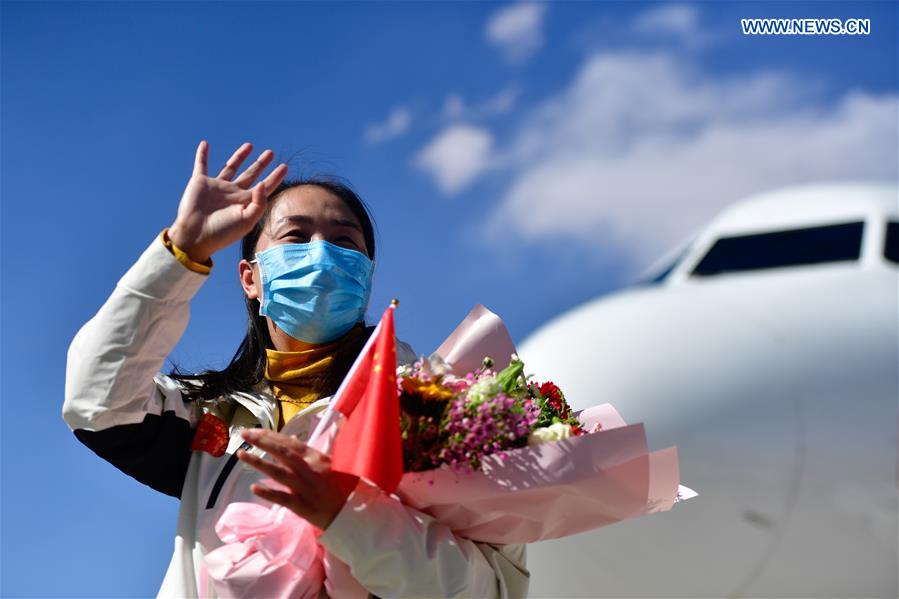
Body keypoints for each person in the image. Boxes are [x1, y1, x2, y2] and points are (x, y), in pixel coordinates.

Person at [62, 140, 530, 598]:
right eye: (296, 237)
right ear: (250, 278)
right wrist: (180, 252)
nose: (322, 254)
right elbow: (96, 399)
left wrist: (351, 517)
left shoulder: (441, 410)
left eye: (344, 241)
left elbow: (492, 590)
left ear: (366, 275)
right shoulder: (209, 417)